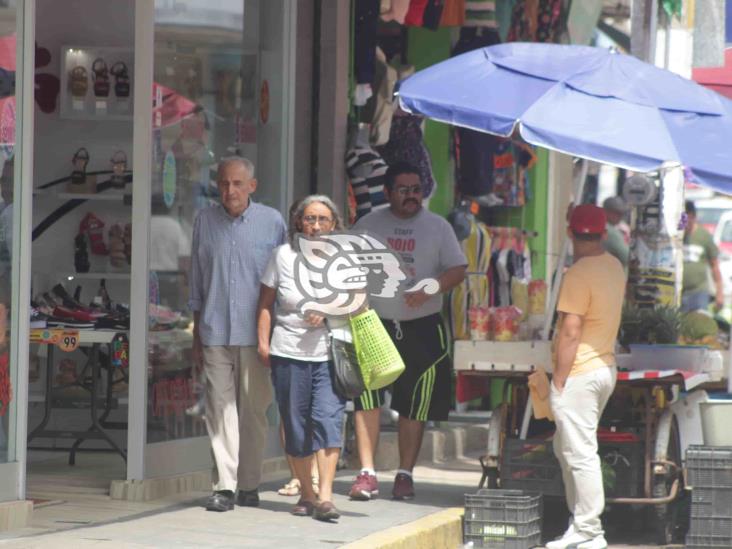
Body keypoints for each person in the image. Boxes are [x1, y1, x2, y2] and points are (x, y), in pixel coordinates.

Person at [348, 162, 467, 501]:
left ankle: (404, 474)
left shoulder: (438, 227)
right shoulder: (368, 225)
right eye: (404, 190)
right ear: (387, 193)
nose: (411, 196)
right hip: (375, 325)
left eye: (416, 189)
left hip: (422, 328)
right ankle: (367, 473)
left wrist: (432, 287)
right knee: (367, 398)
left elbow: (457, 269)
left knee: (414, 405)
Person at [189, 156, 286, 512]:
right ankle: (224, 487)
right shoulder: (204, 220)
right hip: (214, 328)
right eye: (224, 183)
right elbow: (197, 280)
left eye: (237, 184)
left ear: (252, 186)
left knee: (253, 411)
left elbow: (283, 279)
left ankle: (249, 485)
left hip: (256, 334)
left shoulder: (272, 222)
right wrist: (196, 334)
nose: (230, 190)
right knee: (218, 408)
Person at [257, 195, 348, 521]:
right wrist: (263, 342)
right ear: (299, 222)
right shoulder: (281, 256)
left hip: (330, 353)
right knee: (295, 426)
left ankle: (325, 497)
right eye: (310, 219)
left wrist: (327, 311)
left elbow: (360, 303)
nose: (316, 226)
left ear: (334, 225)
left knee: (327, 420)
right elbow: (266, 302)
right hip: (288, 352)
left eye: (323, 219)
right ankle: (307, 495)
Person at [546, 204, 625, 549]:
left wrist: (559, 381)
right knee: (567, 449)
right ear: (604, 234)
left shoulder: (578, 274)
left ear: (569, 233)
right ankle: (579, 523)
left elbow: (570, 332)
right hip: (604, 368)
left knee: (579, 452)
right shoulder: (614, 266)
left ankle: (590, 530)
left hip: (580, 372)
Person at [682, 200, 723, 312]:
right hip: (679, 291)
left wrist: (719, 293)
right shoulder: (677, 237)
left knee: (699, 324)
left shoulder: (704, 236)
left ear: (693, 217)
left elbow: (714, 266)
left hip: (698, 292)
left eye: (688, 219)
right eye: (683, 220)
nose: (686, 224)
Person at [601, 196, 629, 267]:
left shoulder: (597, 225)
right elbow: (627, 257)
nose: (620, 216)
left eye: (621, 213)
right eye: (616, 213)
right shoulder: (610, 231)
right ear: (606, 211)